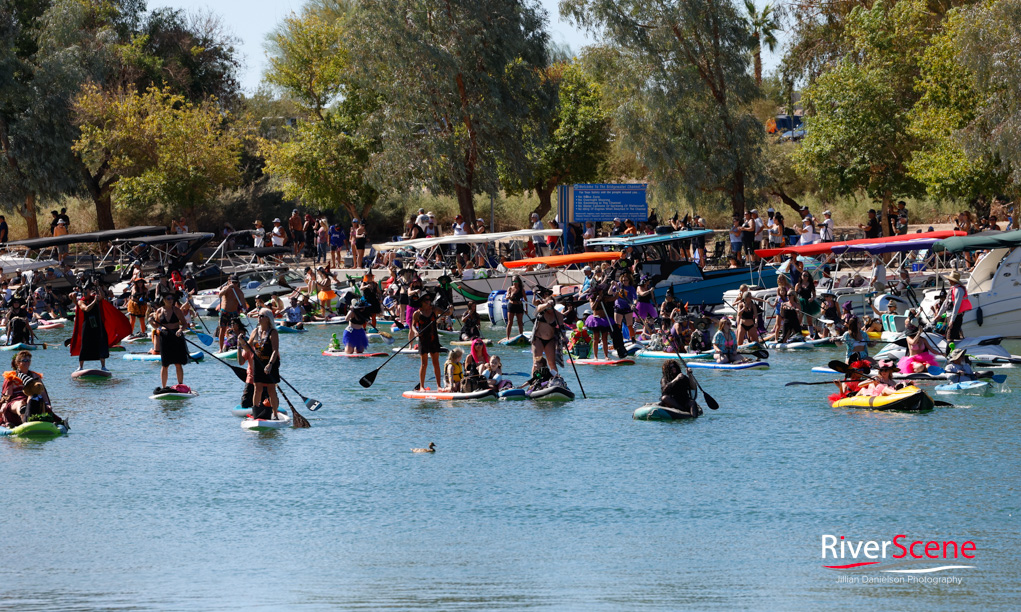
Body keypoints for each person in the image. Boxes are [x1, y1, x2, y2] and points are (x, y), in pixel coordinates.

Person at [237, 309, 281, 419]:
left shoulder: (273, 332)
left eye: (261, 316)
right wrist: (241, 341)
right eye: (258, 316)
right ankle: (256, 412)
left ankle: (274, 414)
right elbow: (248, 348)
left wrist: (270, 364)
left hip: (271, 362)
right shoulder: (255, 331)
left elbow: (275, 350)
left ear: (267, 318)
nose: (259, 318)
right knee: (257, 388)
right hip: (258, 362)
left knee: (271, 389)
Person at [0, 351, 62, 428]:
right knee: (21, 404)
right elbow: (7, 395)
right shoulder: (11, 377)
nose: (27, 363)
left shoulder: (35, 376)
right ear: (18, 363)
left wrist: (47, 403)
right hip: (15, 402)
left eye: (29, 360)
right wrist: (4, 404)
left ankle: (43, 422)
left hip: (31, 399)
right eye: (24, 360)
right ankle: (24, 424)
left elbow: (42, 392)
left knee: (35, 399)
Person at [153, 292, 189, 394]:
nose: (170, 300)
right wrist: (151, 321)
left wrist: (180, 330)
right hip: (165, 337)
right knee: (165, 364)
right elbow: (156, 326)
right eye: (168, 298)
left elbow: (185, 324)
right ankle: (164, 387)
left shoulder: (177, 310)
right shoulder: (159, 311)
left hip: (176, 336)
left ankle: (180, 385)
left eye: (171, 298)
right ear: (164, 300)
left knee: (178, 363)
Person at [73, 285, 110, 371]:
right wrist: (94, 301)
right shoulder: (81, 301)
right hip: (87, 324)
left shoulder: (94, 297)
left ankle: (103, 366)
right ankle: (81, 366)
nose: (85, 293)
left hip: (97, 323)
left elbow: (102, 297)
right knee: (85, 344)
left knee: (100, 342)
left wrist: (99, 287)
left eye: (87, 291)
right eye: (84, 292)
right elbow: (86, 309)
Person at [413, 292, 443, 390]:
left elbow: (447, 312)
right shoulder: (417, 313)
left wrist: (450, 309)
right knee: (424, 364)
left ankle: (439, 386)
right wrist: (416, 332)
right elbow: (413, 326)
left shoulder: (434, 310)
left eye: (429, 299)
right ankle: (422, 386)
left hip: (433, 339)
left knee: (436, 362)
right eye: (426, 300)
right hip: (423, 340)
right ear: (422, 302)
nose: (428, 301)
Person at [531, 288, 565, 374]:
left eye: (551, 307)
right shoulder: (541, 310)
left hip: (550, 340)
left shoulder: (558, 315)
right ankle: (534, 382)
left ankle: (555, 379)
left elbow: (562, 329)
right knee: (536, 363)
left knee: (552, 363)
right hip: (538, 339)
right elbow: (538, 308)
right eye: (549, 307)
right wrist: (546, 305)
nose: (550, 309)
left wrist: (564, 337)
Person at [936, 270, 971, 342]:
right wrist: (939, 314)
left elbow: (957, 306)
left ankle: (947, 353)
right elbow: (946, 303)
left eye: (950, 279)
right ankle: (957, 349)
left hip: (956, 316)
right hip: (949, 315)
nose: (948, 280)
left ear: (953, 280)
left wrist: (952, 320)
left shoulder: (959, 290)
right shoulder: (952, 289)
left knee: (949, 337)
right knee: (954, 335)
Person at [217, 277, 246, 350]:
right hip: (224, 312)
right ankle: (221, 349)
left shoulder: (239, 292)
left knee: (236, 329)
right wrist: (227, 288)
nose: (234, 284)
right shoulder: (225, 288)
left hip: (233, 313)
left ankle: (237, 345)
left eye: (236, 283)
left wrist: (244, 309)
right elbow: (220, 295)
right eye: (233, 282)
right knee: (222, 330)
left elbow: (243, 303)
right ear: (230, 282)